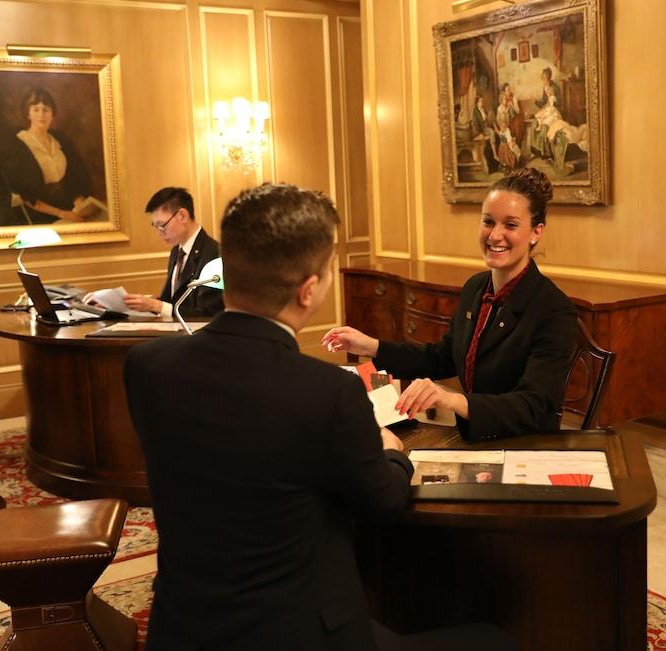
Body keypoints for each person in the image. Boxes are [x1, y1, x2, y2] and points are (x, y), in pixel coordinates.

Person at [125, 183, 516, 650]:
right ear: (309, 291)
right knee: (494, 640)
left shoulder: (147, 366)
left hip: (183, 630)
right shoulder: (327, 394)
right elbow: (384, 503)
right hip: (302, 634)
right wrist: (390, 451)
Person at [323, 168, 576, 441]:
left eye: (510, 225)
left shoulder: (554, 310)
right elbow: (443, 357)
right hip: (476, 438)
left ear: (536, 232)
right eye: (488, 222)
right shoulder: (475, 288)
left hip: (526, 446)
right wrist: (369, 345)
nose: (494, 236)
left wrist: (452, 400)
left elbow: (532, 407)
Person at [0, 87, 93, 225]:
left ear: (52, 114)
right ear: (28, 114)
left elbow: (74, 176)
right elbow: (27, 197)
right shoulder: (17, 145)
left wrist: (78, 201)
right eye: (36, 109)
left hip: (69, 207)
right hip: (39, 214)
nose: (41, 114)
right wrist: (61, 213)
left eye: (46, 109)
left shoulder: (60, 139)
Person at [125, 187, 224, 319]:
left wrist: (156, 306)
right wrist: (141, 303)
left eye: (162, 225)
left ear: (182, 216)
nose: (159, 232)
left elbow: (208, 314)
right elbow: (170, 300)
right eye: (156, 226)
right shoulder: (177, 251)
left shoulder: (213, 255)